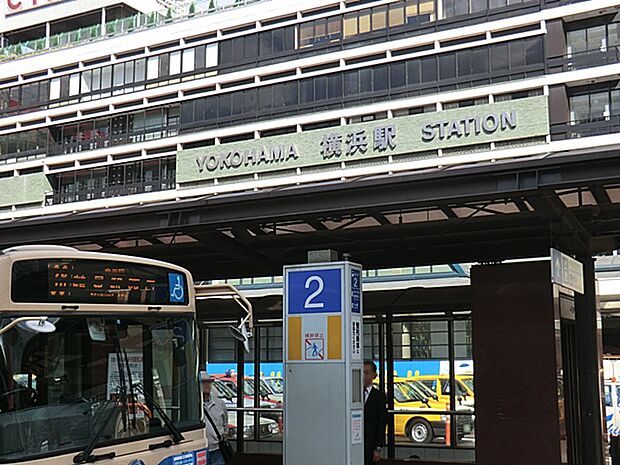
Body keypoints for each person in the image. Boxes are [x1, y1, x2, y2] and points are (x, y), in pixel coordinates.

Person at [201, 372, 228, 465]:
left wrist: (224, 434)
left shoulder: (220, 403)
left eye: (209, 381)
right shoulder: (192, 406)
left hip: (216, 449)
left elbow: (225, 424)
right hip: (200, 450)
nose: (207, 385)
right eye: (204, 382)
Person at [364, 360, 388, 465]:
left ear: (374, 375)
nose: (364, 376)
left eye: (367, 373)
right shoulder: (352, 393)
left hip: (370, 443)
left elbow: (382, 422)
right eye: (362, 372)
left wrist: (378, 448)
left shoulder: (379, 396)